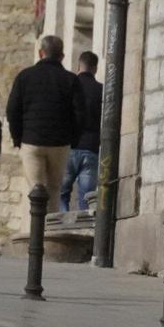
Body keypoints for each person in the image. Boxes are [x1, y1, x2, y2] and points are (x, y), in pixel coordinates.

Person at [5, 36, 83, 214]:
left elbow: (12, 110)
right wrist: (73, 140)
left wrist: (18, 138)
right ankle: (49, 233)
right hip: (60, 143)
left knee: (35, 190)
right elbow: (79, 114)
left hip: (32, 140)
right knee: (55, 189)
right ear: (62, 56)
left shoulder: (25, 77)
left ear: (41, 53)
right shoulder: (70, 80)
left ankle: (35, 233)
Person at [61, 52, 103, 212]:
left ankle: (60, 228)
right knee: (86, 197)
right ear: (95, 68)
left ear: (78, 66)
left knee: (62, 193)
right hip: (91, 147)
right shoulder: (101, 90)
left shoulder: (69, 86)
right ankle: (83, 230)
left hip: (69, 146)